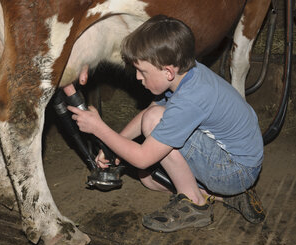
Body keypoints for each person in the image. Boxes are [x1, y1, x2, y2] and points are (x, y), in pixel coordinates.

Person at [67, 15, 265, 232]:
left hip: (236, 170)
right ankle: (223, 197)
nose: (138, 78)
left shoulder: (191, 99)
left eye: (142, 71)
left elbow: (143, 156)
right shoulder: (187, 73)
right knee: (148, 178)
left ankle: (195, 205)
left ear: (168, 71)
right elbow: (148, 112)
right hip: (237, 161)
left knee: (154, 125)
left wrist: (99, 129)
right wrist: (116, 147)